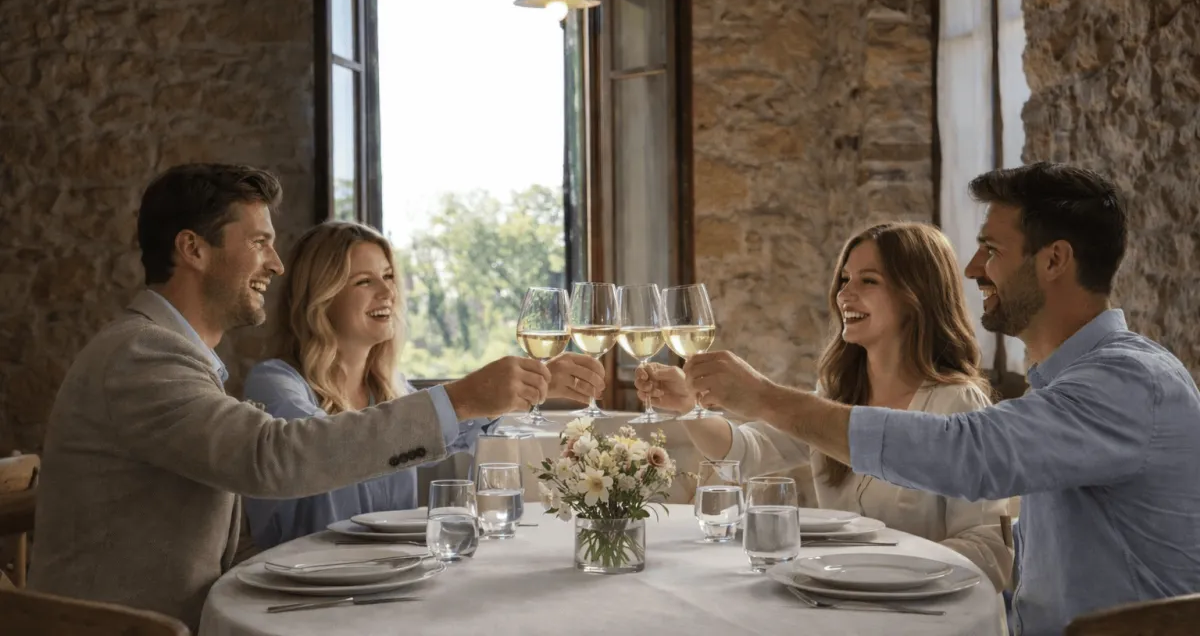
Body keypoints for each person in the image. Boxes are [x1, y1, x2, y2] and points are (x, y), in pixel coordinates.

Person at [680, 163, 1200, 636]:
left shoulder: (1129, 382)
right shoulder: (1072, 386)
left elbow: (967, 453)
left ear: (1054, 260)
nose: (973, 268)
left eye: (992, 250)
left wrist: (765, 397)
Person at [30, 164, 555, 629]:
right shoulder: (143, 357)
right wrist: (458, 399)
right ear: (193, 249)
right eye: (259, 242)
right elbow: (271, 457)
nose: (277, 264)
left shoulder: (173, 356)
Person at [638, 222, 1013, 592]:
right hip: (839, 596)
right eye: (845, 279)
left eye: (868, 281)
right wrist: (689, 407)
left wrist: (897, 574)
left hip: (922, 615)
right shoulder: (836, 392)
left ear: (916, 295)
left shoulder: (957, 402)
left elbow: (988, 548)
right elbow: (747, 451)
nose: (844, 294)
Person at [242, 220, 605, 547]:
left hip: (389, 576)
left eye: (388, 277)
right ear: (321, 297)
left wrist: (529, 387)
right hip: (304, 588)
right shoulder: (274, 384)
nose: (387, 293)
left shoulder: (389, 388)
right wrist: (466, 394)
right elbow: (323, 446)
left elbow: (453, 428)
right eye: (364, 281)